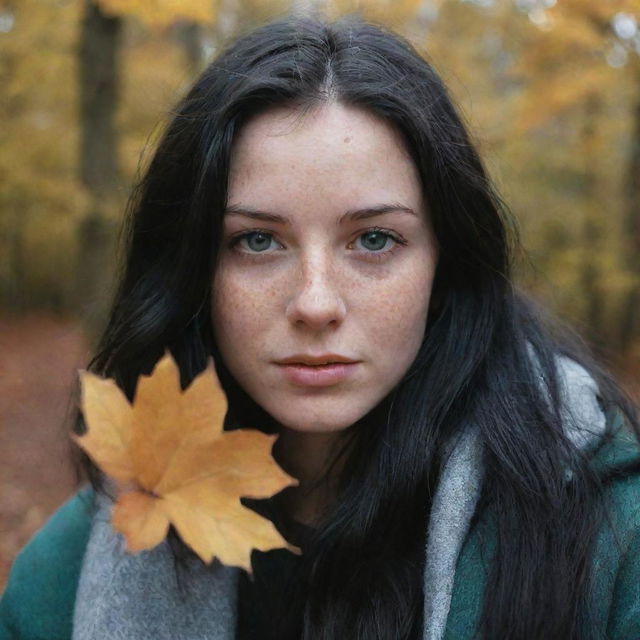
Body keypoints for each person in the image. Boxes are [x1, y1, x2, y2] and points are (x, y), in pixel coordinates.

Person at [2, 14, 640, 640]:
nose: (314, 303)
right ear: (194, 266)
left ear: (445, 264)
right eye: (257, 240)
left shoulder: (612, 533)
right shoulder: (66, 575)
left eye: (373, 239)